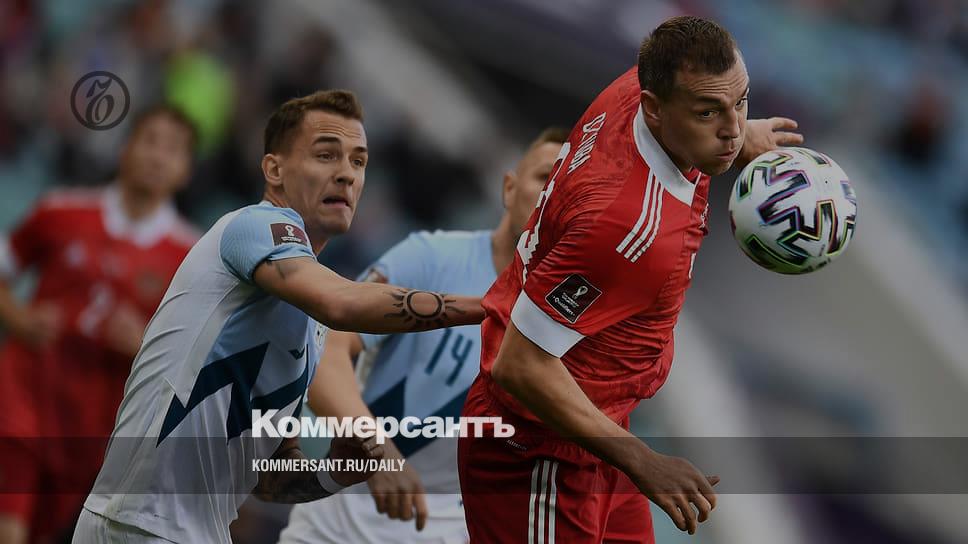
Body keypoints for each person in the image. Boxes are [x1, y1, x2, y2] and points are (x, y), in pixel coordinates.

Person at [71, 89, 484, 544]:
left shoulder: (312, 323)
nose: (346, 174)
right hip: (141, 523)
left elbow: (267, 478)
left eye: (359, 162)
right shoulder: (258, 225)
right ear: (274, 169)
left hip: (186, 530)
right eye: (326, 155)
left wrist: (336, 472)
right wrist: (485, 308)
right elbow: (342, 303)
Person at [457, 15, 804, 543]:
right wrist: (644, 461)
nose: (732, 128)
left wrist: (734, 130)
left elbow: (711, 107)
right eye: (709, 112)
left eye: (741, 102)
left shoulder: (642, 88)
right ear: (654, 109)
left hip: (595, 428)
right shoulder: (626, 229)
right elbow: (520, 365)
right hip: (536, 453)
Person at [277, 127, 570, 544]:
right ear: (509, 188)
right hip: (331, 529)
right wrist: (380, 453)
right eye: (544, 177)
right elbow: (326, 349)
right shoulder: (432, 256)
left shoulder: (576, 324)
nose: (553, 195)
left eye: (569, 188)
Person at [0, 105, 199, 544]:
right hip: (24, 395)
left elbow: (196, 364)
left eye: (172, 149)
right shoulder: (60, 211)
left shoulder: (191, 258)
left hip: (89, 434)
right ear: (126, 148)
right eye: (150, 141)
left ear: (185, 170)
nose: (157, 156)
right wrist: (19, 317)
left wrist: (143, 345)